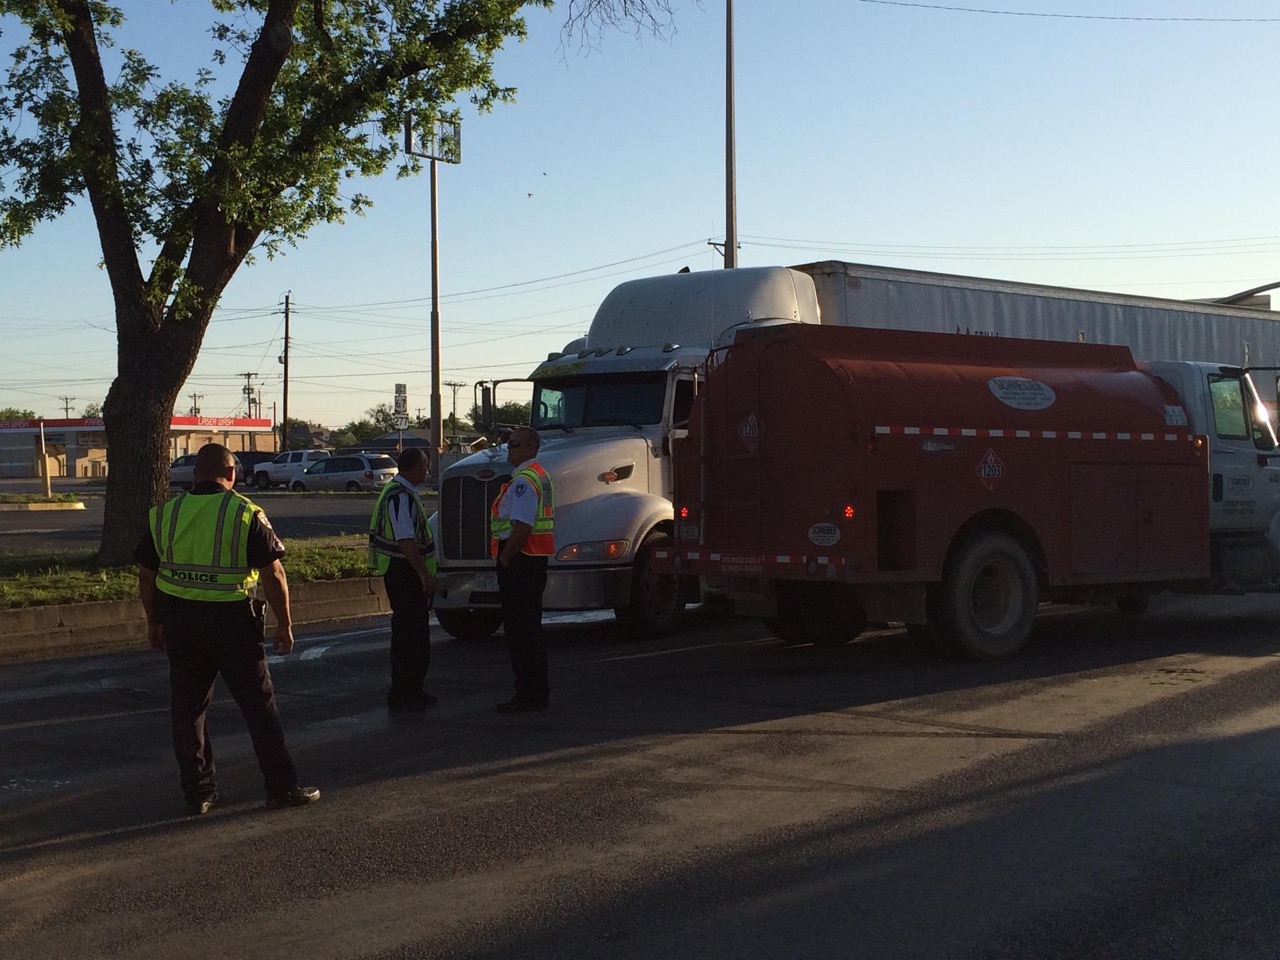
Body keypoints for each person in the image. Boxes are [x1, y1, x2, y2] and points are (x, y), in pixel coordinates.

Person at [136, 443, 320, 815]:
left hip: (182, 622)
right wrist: (284, 624)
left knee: (188, 712)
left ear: (195, 473)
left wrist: (154, 621)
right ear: (232, 473)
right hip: (232, 622)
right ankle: (280, 788)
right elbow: (274, 573)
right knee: (259, 708)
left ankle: (199, 794)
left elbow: (146, 575)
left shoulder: (164, 515)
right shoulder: (245, 513)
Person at [489, 426, 556, 713]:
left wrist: (505, 558)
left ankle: (529, 694)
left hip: (521, 561)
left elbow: (523, 526)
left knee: (521, 632)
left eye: (514, 444)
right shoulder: (534, 475)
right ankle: (534, 691)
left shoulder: (524, 481)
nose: (509, 448)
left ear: (530, 447)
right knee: (528, 629)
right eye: (508, 443)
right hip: (530, 560)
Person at [368, 446, 438, 713]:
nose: (427, 471)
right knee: (411, 635)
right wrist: (424, 574)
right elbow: (406, 540)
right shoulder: (401, 497)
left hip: (401, 570)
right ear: (415, 468)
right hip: (404, 572)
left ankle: (411, 688)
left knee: (411, 633)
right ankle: (405, 690)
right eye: (425, 466)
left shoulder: (401, 493)